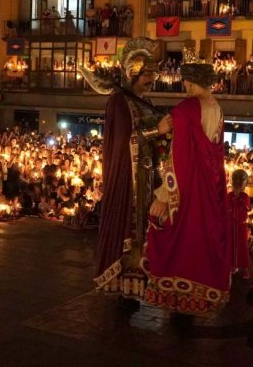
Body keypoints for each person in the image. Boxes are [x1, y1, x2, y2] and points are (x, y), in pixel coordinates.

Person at [144, 54, 230, 315]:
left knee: (177, 236)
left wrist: (163, 195)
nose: (184, 86)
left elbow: (175, 157)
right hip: (210, 186)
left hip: (189, 186)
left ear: (191, 82)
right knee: (203, 238)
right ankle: (202, 294)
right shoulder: (217, 107)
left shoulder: (187, 109)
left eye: (185, 82)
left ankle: (177, 294)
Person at [93, 39, 167, 309]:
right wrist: (156, 131)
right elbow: (126, 138)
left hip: (147, 173)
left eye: (154, 74)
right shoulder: (118, 101)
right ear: (134, 72)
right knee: (131, 228)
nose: (152, 79)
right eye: (147, 73)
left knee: (144, 230)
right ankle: (124, 287)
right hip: (129, 175)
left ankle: (140, 282)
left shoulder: (144, 100)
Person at [229, 169, 251, 277]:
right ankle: (232, 265)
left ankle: (244, 268)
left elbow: (245, 207)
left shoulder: (245, 197)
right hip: (230, 226)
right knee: (231, 246)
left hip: (241, 226)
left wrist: (237, 197)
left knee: (242, 247)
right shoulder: (229, 195)